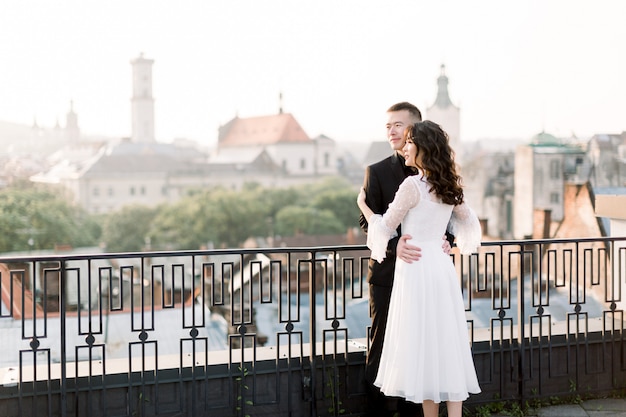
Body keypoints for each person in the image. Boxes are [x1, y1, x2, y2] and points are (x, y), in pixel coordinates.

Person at [357, 120, 481, 417]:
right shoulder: (449, 185)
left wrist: (363, 205)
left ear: (422, 148)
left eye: (410, 141)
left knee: (424, 346)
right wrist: (450, 244)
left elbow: (385, 228)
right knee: (446, 343)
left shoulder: (412, 185)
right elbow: (471, 226)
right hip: (440, 269)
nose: (405, 146)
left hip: (415, 270)